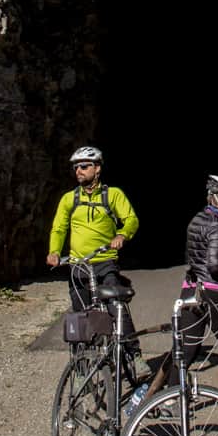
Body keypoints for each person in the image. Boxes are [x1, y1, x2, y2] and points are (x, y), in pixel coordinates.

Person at [46, 144, 148, 377]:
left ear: (97, 168)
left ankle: (135, 356)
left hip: (105, 261)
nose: (78, 171)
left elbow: (131, 219)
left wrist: (122, 235)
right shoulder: (68, 199)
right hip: (78, 265)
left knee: (117, 307)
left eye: (84, 166)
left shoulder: (113, 195)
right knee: (79, 314)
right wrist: (54, 252)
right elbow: (59, 228)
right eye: (75, 167)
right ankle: (82, 359)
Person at [167, 174, 218, 395]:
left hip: (190, 288)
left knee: (188, 347)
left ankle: (168, 398)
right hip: (212, 292)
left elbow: (193, 258)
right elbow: (214, 265)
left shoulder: (195, 219)